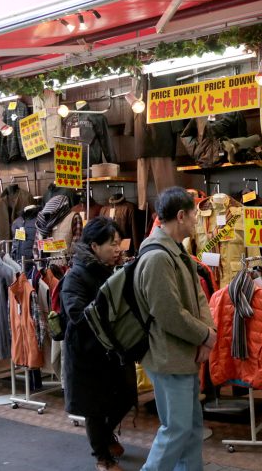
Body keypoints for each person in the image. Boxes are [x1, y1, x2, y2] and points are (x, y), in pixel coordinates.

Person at [134, 187, 216, 471]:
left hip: (183, 355)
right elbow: (168, 314)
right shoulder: (157, 257)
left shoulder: (176, 251)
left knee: (191, 429)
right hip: (168, 358)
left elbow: (198, 295)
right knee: (176, 430)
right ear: (181, 216)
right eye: (194, 214)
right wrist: (205, 335)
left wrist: (207, 334)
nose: (197, 220)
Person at [60, 217, 135, 471]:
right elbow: (77, 315)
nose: (118, 249)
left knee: (126, 396)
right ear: (94, 246)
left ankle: (105, 435)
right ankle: (102, 458)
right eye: (112, 244)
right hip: (86, 353)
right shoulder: (75, 277)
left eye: (119, 244)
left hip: (113, 350)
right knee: (94, 407)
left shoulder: (114, 271)